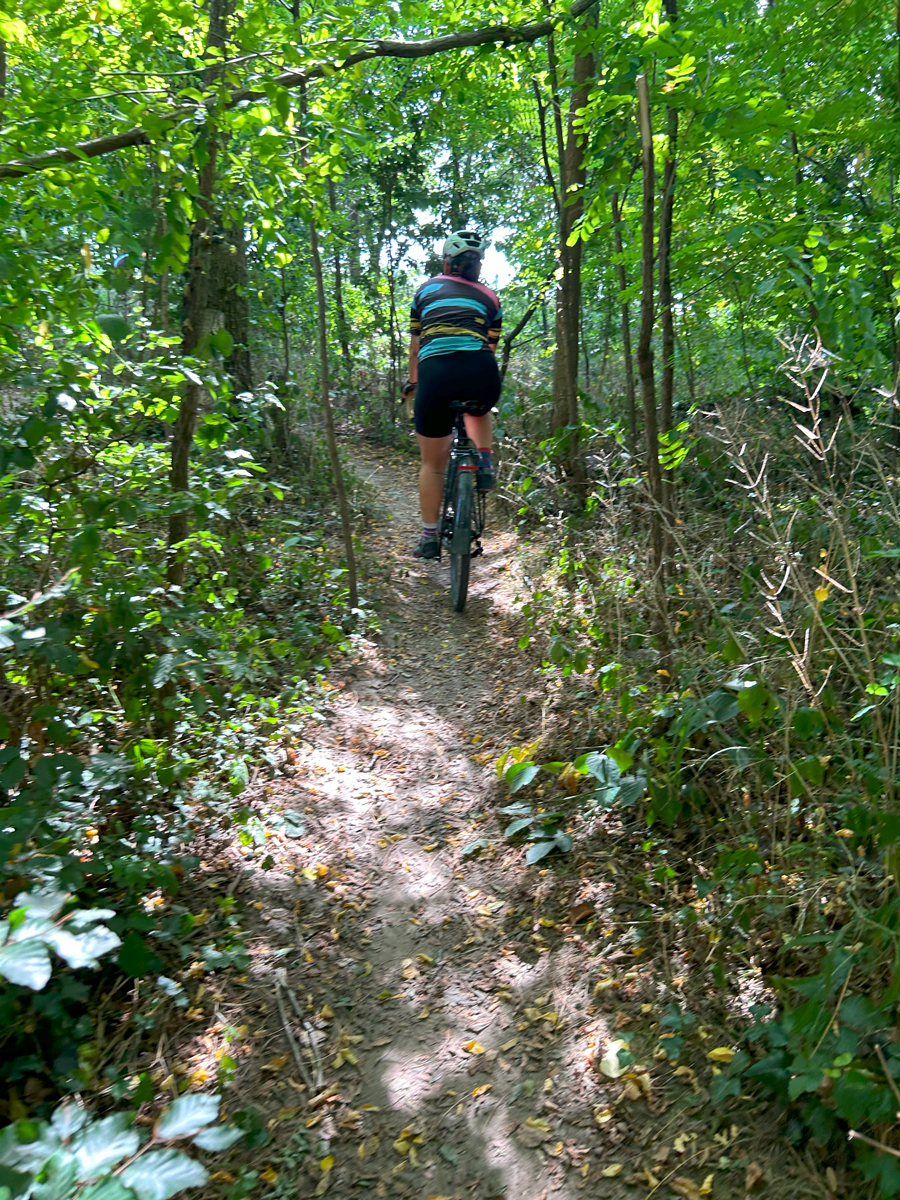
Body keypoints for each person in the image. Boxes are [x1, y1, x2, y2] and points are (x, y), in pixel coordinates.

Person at [402, 230, 502, 560]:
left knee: (432, 464)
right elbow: (489, 346)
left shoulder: (425, 290)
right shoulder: (490, 297)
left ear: (447, 263)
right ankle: (484, 462)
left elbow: (418, 346)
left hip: (435, 374)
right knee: (480, 406)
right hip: (481, 370)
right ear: (477, 267)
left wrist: (413, 384)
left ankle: (429, 538)